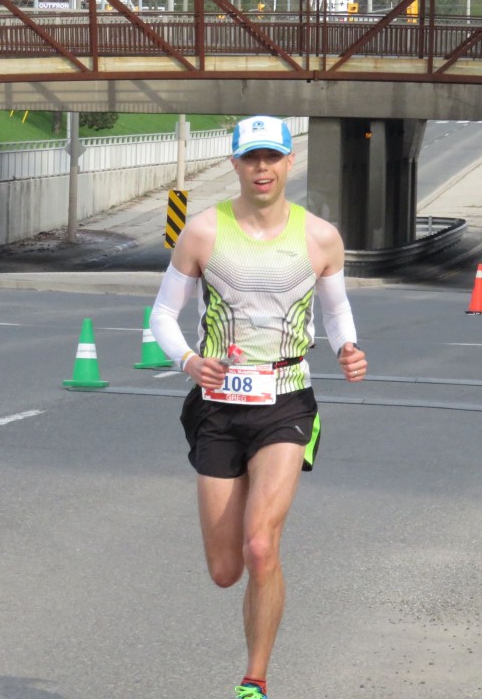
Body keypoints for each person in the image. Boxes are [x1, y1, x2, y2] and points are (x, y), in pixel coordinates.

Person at [149, 115, 367, 699]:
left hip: (286, 401)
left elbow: (336, 309)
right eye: (252, 158)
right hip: (218, 406)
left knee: (261, 545)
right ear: (236, 164)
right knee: (226, 570)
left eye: (272, 157)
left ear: (289, 162)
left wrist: (347, 346)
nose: (262, 168)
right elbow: (163, 317)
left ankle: (254, 681)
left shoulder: (320, 237)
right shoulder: (202, 233)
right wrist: (190, 363)